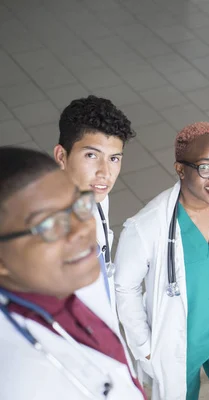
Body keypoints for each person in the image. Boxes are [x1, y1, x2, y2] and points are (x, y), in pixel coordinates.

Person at [114, 122, 209, 400]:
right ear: (181, 169)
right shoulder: (146, 226)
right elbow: (125, 287)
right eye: (206, 168)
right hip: (180, 342)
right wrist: (144, 346)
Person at [0, 147, 145, 400]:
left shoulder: (73, 275)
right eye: (48, 224)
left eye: (78, 205)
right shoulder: (18, 381)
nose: (81, 229)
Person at [54, 95, 135, 310]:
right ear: (61, 156)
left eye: (114, 158)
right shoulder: (43, 232)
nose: (105, 172)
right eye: (91, 155)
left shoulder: (95, 195)